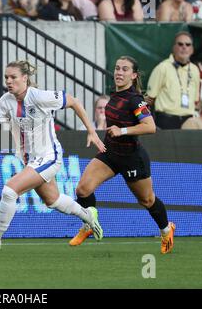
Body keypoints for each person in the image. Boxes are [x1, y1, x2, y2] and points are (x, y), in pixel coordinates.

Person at [0, 60, 106, 254]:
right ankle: (88, 216)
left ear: (25, 78)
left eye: (13, 77)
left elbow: (75, 102)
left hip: (49, 157)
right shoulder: (6, 100)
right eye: (6, 77)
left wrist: (91, 131)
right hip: (30, 160)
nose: (9, 81)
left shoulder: (40, 96)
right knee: (53, 200)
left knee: (9, 190)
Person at [71, 56, 176, 254]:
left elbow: (150, 127)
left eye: (125, 69)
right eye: (117, 68)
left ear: (133, 75)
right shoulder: (115, 95)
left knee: (147, 200)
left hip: (132, 157)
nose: (119, 72)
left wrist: (123, 131)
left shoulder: (135, 99)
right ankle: (88, 225)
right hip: (110, 152)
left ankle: (166, 230)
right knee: (82, 190)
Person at [146, 31, 200, 129]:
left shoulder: (195, 70)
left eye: (188, 45)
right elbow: (149, 99)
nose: (184, 47)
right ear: (174, 48)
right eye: (180, 44)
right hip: (166, 120)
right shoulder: (162, 68)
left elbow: (195, 100)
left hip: (188, 121)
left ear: (192, 49)